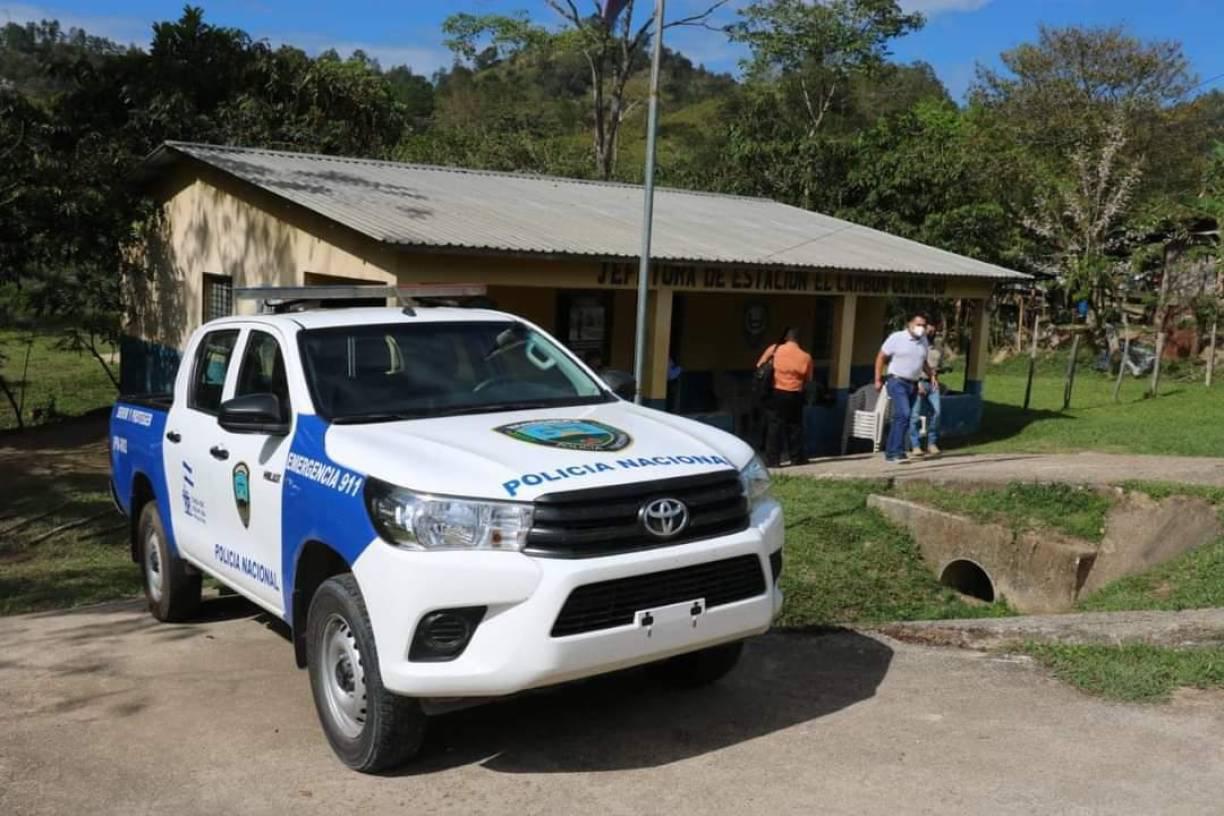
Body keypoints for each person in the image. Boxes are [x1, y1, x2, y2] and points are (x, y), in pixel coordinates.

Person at [874, 313, 937, 463]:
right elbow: (881, 357)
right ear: (909, 324)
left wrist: (932, 375)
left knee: (903, 417)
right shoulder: (896, 338)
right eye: (918, 324)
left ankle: (894, 452)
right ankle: (895, 452)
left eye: (923, 325)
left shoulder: (923, 341)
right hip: (897, 381)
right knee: (904, 414)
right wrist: (877, 379)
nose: (921, 328)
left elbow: (923, 362)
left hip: (913, 383)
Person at [757, 328, 813, 467]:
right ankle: (797, 458)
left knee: (774, 427)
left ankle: (773, 461)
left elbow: (759, 366)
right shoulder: (806, 356)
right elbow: (809, 378)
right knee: (795, 426)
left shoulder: (775, 349)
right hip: (795, 394)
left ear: (786, 338)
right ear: (798, 340)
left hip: (776, 392)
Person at [908, 322, 944, 458]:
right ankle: (915, 445)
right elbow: (912, 367)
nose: (931, 333)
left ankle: (932, 443)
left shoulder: (938, 350)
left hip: (933, 383)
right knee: (915, 415)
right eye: (928, 330)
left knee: (937, 412)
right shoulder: (916, 347)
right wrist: (917, 384)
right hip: (919, 382)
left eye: (933, 331)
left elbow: (938, 367)